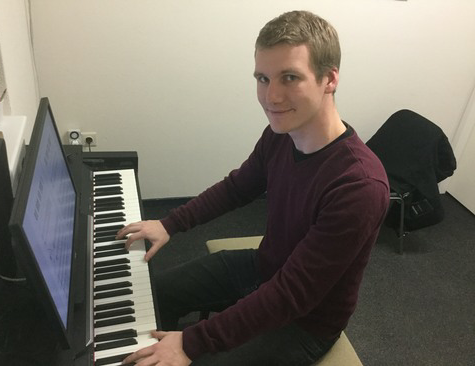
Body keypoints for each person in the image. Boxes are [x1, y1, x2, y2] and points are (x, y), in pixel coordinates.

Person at [118, 10, 389, 366]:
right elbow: (237, 188)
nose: (271, 96)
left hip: (305, 322)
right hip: (264, 267)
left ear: (329, 79)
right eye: (263, 78)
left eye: (289, 77)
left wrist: (194, 342)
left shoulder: (359, 186)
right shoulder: (281, 135)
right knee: (152, 298)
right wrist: (170, 224)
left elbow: (293, 294)